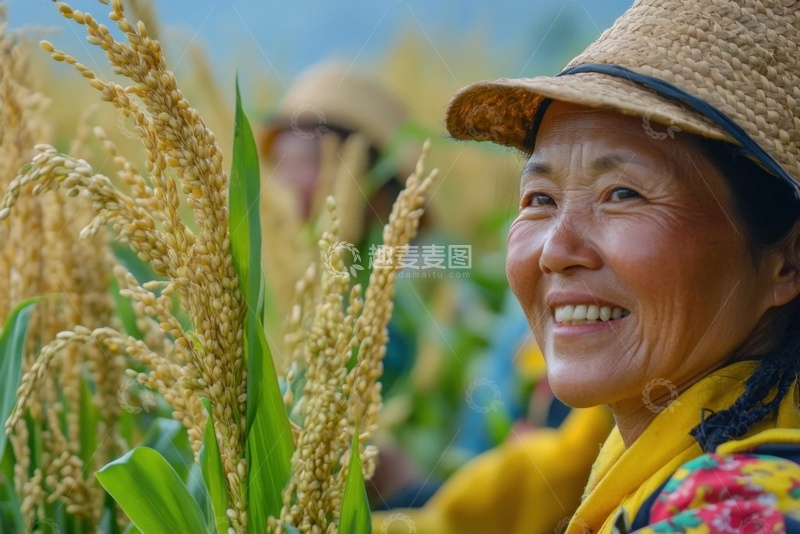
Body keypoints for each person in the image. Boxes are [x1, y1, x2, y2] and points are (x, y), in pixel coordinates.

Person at [439, 0, 800, 532]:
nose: (556, 251)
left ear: (787, 261)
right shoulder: (651, 476)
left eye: (623, 193)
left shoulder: (748, 510)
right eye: (540, 198)